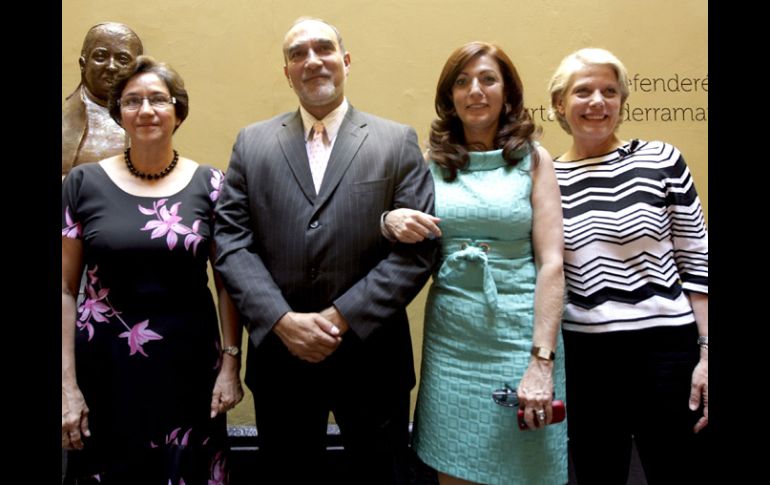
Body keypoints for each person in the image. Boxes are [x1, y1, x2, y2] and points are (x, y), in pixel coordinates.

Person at [213, 17, 437, 484]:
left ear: (346, 61)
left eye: (324, 49)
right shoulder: (251, 144)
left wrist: (340, 318)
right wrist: (281, 320)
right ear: (287, 73)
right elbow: (231, 241)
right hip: (281, 360)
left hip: (372, 359)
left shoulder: (396, 141)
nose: (312, 60)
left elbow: (416, 253)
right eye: (298, 54)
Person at [382, 41, 567, 484]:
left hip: (521, 337)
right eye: (462, 82)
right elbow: (396, 224)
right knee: (454, 465)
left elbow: (552, 264)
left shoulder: (533, 160)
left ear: (508, 92)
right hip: (453, 343)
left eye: (488, 80)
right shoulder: (431, 161)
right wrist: (390, 220)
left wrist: (541, 361)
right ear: (450, 98)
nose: (475, 91)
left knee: (529, 468)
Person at [62, 55, 243, 484]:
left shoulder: (212, 185)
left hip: (190, 371)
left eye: (158, 99)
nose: (145, 110)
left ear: (178, 111)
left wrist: (231, 365)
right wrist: (66, 385)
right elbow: (64, 289)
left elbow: (228, 284)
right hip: (104, 370)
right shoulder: (82, 184)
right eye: (132, 101)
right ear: (119, 113)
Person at [547, 47, 708, 484]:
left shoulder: (660, 159)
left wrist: (707, 353)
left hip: (668, 351)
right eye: (583, 91)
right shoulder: (545, 178)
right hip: (586, 356)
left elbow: (697, 260)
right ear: (559, 103)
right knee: (598, 474)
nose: (597, 102)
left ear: (621, 101)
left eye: (609, 91)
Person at [62, 22, 143, 179]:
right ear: (83, 64)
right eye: (100, 57)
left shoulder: (149, 122)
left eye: (123, 59)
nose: (111, 66)